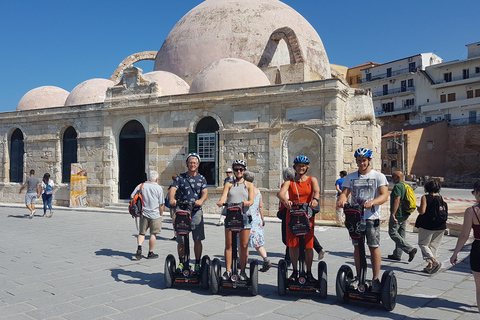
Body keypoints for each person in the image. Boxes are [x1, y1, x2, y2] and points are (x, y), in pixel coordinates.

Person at [336, 147, 389, 293]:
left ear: (369, 160)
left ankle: (376, 278)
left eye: (364, 161)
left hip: (371, 217)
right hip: (355, 218)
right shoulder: (350, 177)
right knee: (357, 248)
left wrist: (373, 202)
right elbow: (345, 193)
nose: (361, 164)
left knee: (373, 247)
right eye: (359, 161)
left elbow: (384, 195)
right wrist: (341, 200)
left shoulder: (378, 176)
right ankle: (359, 277)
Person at [277, 155, 320, 283]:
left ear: (307, 167)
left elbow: (317, 191)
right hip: (293, 216)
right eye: (299, 166)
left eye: (303, 166)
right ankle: (295, 271)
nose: (301, 168)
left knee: (308, 245)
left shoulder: (312, 180)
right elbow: (280, 193)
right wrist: (286, 200)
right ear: (294, 167)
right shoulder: (289, 182)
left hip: (307, 215)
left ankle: (309, 272)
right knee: (293, 244)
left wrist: (315, 200)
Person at [169, 153, 208, 273]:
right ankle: (181, 262)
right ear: (187, 164)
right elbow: (173, 189)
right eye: (190, 162)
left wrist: (200, 200)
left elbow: (205, 192)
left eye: (194, 163)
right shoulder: (180, 178)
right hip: (182, 210)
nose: (192, 165)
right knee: (181, 239)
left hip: (195, 211)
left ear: (198, 164)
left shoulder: (201, 178)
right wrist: (172, 199)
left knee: (197, 239)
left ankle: (197, 263)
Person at [217, 159, 254, 281]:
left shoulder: (249, 185)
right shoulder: (228, 184)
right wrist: (221, 202)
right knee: (229, 245)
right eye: (236, 169)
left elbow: (252, 200)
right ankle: (228, 271)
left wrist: (247, 202)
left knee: (243, 245)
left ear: (244, 171)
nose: (238, 171)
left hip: (244, 216)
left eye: (241, 169)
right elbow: (224, 196)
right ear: (233, 170)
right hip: (231, 215)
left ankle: (242, 271)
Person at [450, 180, 480, 313]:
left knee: (479, 289)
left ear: (477, 192)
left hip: (478, 249)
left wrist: (455, 253)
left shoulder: (471, 211)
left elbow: (464, 235)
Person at [415, 180, 446, 273]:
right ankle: (430, 266)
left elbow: (422, 211)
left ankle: (434, 261)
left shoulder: (425, 197)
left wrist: (417, 207)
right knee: (433, 246)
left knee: (423, 244)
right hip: (441, 226)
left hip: (427, 225)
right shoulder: (440, 198)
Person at [132, 170, 164, 260]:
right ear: (157, 179)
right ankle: (150, 252)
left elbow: (132, 196)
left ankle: (139, 247)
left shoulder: (141, 186)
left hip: (143, 213)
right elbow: (161, 204)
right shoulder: (159, 188)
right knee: (153, 234)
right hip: (155, 214)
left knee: (142, 233)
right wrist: (161, 214)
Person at [243, 171, 271, 272]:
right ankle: (266, 259)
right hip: (257, 219)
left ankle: (243, 262)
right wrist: (262, 219)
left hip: (247, 218)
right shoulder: (257, 191)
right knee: (258, 243)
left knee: (243, 243)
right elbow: (260, 206)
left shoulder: (245, 190)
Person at [387, 171, 417, 262]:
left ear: (397, 177)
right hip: (405, 213)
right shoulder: (406, 185)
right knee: (401, 234)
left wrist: (393, 214)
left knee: (393, 233)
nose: (392, 179)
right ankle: (397, 254)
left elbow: (397, 200)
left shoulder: (398, 186)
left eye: (393, 177)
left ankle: (410, 249)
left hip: (398, 213)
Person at [168, 174, 178, 241]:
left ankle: (176, 235)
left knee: (174, 221)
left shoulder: (171, 186)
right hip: (179, 205)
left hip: (173, 206)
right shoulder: (180, 185)